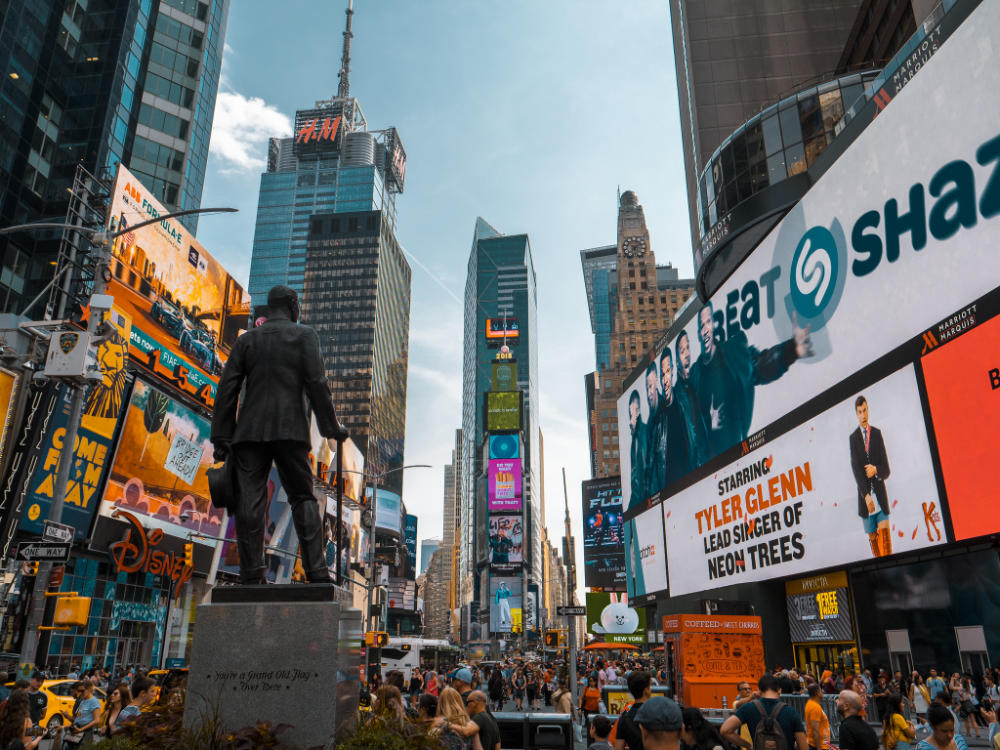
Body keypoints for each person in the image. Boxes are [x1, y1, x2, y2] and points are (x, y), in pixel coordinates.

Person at [211, 284, 350, 584]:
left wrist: (222, 436)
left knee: (250, 499)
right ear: (291, 305)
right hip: (290, 431)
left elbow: (228, 389)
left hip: (249, 433)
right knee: (303, 497)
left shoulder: (247, 341)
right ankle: (316, 571)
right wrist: (331, 429)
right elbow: (317, 384)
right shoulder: (304, 336)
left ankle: (251, 573)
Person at [692, 301, 811, 458]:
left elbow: (760, 366)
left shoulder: (734, 353)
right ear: (698, 333)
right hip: (710, 465)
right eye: (702, 325)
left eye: (708, 322)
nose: (706, 329)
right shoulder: (695, 374)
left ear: (714, 325)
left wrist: (791, 349)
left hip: (738, 455)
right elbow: (693, 429)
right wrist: (709, 422)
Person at [849, 395, 893, 557]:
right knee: (877, 554)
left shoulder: (876, 434)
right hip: (866, 504)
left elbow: (886, 469)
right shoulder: (853, 439)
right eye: (860, 412)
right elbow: (856, 471)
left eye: (865, 410)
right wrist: (867, 496)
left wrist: (875, 469)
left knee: (887, 550)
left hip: (880, 499)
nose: (863, 415)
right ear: (857, 413)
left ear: (868, 410)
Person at [720, 674, 808, 750]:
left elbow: (725, 730)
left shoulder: (748, 708)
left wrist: (748, 745)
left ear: (759, 690)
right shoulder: (791, 712)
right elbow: (803, 746)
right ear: (779, 690)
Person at [674, 330, 710, 466]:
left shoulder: (698, 377)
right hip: (696, 473)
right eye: (682, 351)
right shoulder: (676, 398)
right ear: (677, 362)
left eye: (688, 348)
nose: (687, 354)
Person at [614, 670, 653, 750]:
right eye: (650, 686)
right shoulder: (656, 713)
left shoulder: (624, 717)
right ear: (646, 690)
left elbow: (618, 747)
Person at [627, 389, 650, 509]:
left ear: (639, 411)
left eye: (635, 412)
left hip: (646, 498)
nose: (632, 418)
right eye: (630, 414)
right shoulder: (634, 439)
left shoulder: (644, 432)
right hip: (638, 499)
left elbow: (647, 469)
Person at [805, 684, 831, 750]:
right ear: (817, 693)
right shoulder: (814, 707)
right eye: (821, 691)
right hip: (818, 746)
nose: (822, 692)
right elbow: (815, 730)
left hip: (820, 745)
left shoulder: (812, 704)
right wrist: (819, 748)